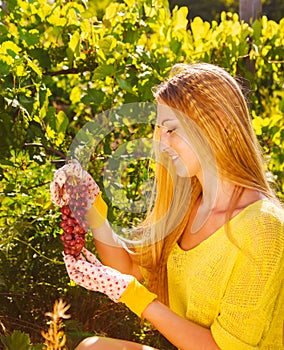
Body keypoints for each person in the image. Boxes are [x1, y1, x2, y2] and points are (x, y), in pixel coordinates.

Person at [50, 63, 284, 350]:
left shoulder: (263, 228)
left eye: (171, 129)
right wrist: (89, 205)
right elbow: (131, 270)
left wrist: (133, 296)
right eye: (159, 130)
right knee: (92, 347)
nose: (160, 143)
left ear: (220, 121)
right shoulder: (188, 206)